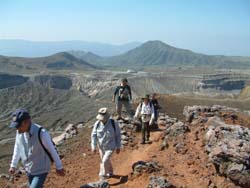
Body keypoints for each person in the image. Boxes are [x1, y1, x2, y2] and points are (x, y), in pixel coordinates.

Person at [8, 108, 65, 188]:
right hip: (29, 169)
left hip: (41, 168)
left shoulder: (41, 133)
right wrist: (13, 165)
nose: (17, 129)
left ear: (26, 122)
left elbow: (52, 149)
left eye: (18, 126)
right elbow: (17, 147)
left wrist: (59, 166)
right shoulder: (20, 132)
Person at [91, 107, 121, 180]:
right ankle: (110, 172)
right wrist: (93, 146)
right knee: (106, 160)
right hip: (101, 147)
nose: (101, 120)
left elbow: (118, 135)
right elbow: (94, 135)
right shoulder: (97, 124)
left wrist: (118, 146)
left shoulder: (114, 123)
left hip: (110, 146)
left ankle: (102, 176)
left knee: (104, 161)